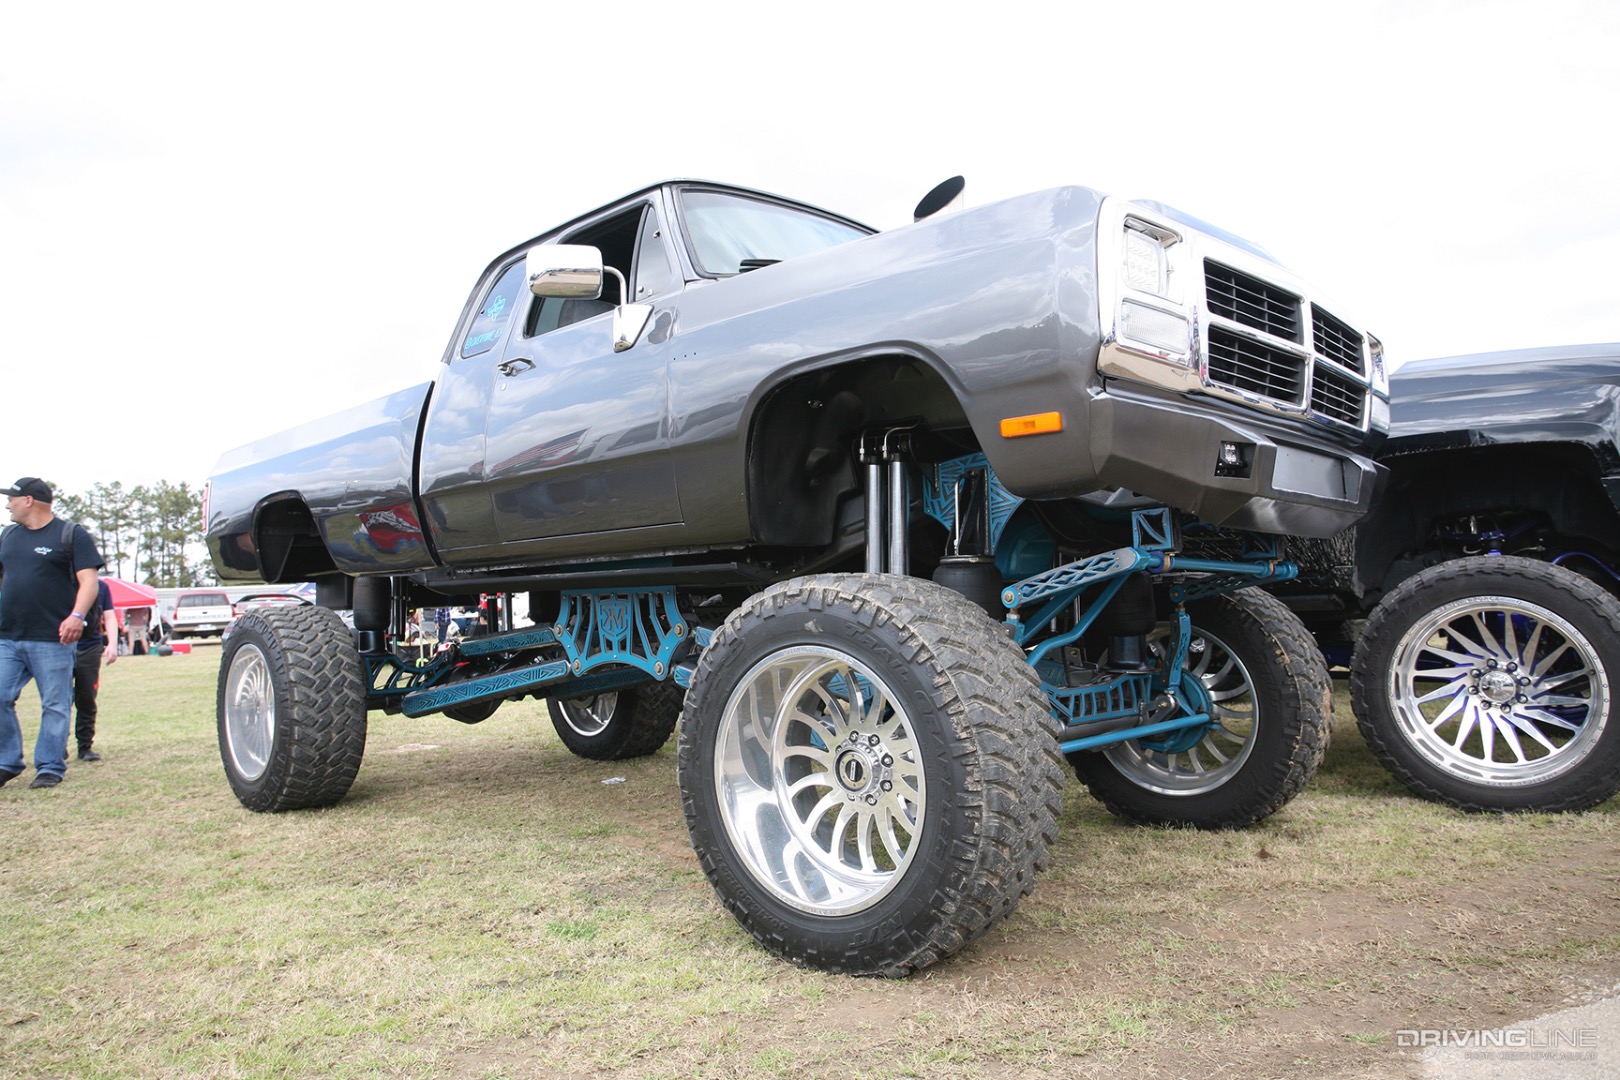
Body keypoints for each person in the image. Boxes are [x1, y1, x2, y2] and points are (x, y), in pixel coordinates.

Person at [0, 477, 105, 790]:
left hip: (53, 637)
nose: (7, 504)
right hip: (7, 636)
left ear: (29, 500)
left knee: (55, 704)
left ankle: (49, 766)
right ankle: (7, 761)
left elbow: (89, 582)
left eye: (11, 499)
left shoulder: (69, 534)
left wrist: (76, 616)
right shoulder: (7, 536)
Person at [71, 577, 118, 761]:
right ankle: (57, 747)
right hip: (59, 645)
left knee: (87, 697)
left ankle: (84, 746)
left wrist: (112, 644)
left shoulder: (101, 587)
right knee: (58, 699)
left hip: (89, 646)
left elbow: (109, 615)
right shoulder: (59, 581)